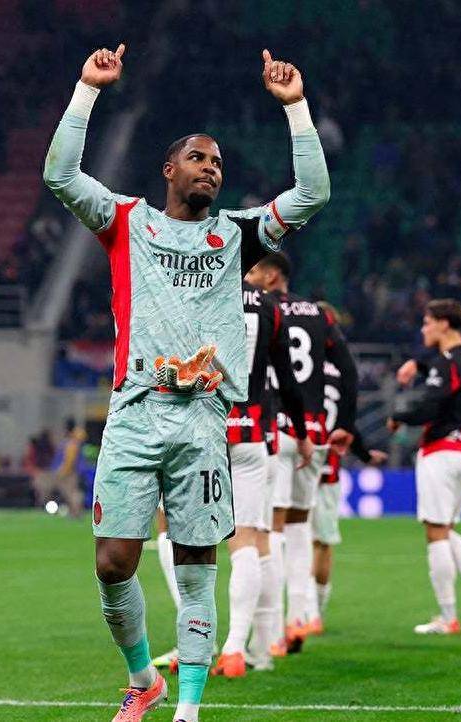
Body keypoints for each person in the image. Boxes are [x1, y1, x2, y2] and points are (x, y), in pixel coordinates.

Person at [42, 42, 328, 722]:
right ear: (169, 169)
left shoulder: (237, 236)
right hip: (135, 411)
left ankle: (189, 710)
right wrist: (87, 89)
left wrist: (295, 107)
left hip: (203, 420)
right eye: (199, 158)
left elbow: (313, 194)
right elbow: (60, 174)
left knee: (198, 566)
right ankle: (144, 678)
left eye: (219, 163)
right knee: (114, 563)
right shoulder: (126, 221)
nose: (211, 168)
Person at [210, 278, 310, 677]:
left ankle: (198, 641)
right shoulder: (269, 306)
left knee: (184, 540)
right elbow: (287, 378)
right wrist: (300, 432)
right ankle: (243, 647)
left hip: (207, 431)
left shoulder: (202, 287)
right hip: (253, 432)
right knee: (251, 540)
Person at [245, 252, 342, 655]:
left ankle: (272, 632)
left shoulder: (263, 308)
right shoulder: (319, 314)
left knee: (271, 531)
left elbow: (279, 374)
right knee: (302, 525)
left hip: (275, 428)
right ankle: (303, 614)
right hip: (314, 432)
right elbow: (347, 369)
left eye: (253, 270)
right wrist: (345, 425)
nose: (248, 276)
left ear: (272, 276)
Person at [389, 299, 461, 637]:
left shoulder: (447, 362)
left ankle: (451, 613)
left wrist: (398, 415)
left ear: (444, 324)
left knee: (436, 532)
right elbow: (453, 376)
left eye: (427, 322)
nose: (423, 329)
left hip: (442, 451)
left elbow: (429, 405)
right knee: (446, 529)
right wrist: (419, 365)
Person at [309, 300, 386, 633]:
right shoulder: (342, 371)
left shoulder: (298, 364)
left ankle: (294, 611)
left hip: (295, 459)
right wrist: (365, 454)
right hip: (328, 466)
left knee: (286, 536)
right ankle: (315, 612)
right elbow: (347, 423)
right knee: (322, 541)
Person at [31, 419, 87, 517]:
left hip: (68, 473)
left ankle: (76, 512)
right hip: (65, 472)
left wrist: (62, 471)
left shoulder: (72, 442)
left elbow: (69, 460)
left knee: (72, 493)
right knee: (70, 493)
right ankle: (74, 512)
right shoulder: (72, 441)